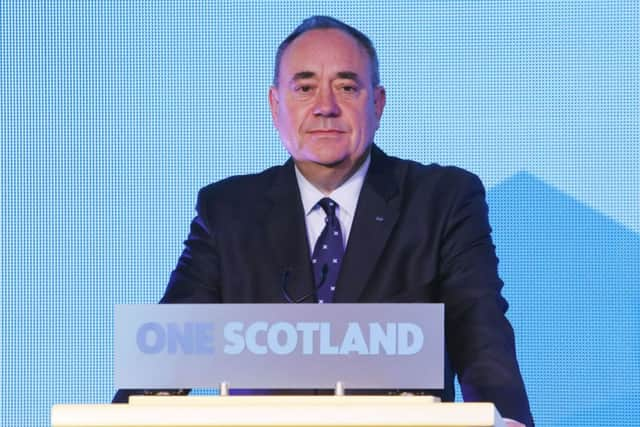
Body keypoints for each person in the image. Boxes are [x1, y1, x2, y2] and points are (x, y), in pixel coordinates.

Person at [114, 16, 534, 427]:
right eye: (305, 87)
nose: (325, 107)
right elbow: (172, 349)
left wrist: (507, 418)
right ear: (275, 104)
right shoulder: (228, 210)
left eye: (347, 87)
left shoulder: (441, 199)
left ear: (378, 102)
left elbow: (480, 333)